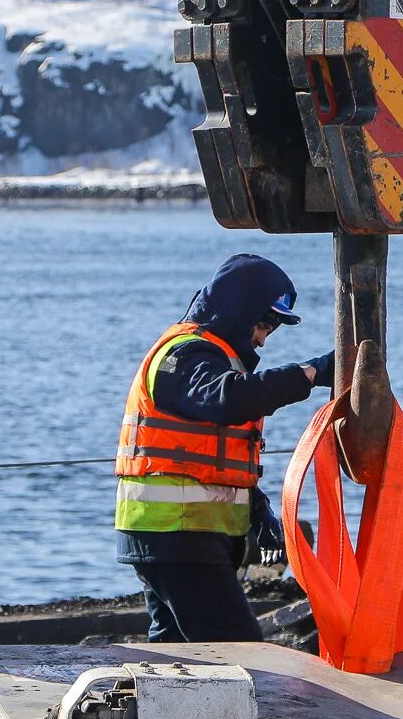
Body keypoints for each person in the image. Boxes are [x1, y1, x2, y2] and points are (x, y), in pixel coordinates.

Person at [116, 253, 334, 642]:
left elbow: (204, 460)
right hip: (178, 537)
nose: (263, 339)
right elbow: (227, 399)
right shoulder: (185, 356)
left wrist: (256, 510)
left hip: (173, 538)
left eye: (272, 330)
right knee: (238, 652)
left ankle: (164, 703)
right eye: (263, 324)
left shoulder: (214, 358)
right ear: (239, 309)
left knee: (178, 654)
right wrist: (310, 374)